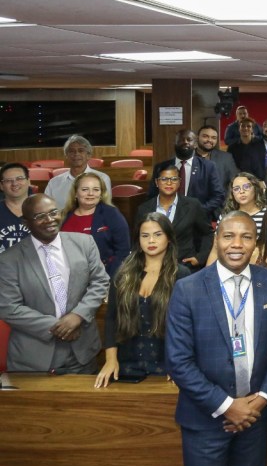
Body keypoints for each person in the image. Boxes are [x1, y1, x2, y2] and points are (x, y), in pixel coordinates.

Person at [165, 211, 267, 466]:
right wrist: (227, 406)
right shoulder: (188, 289)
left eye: (246, 237)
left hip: (255, 420)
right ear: (216, 240)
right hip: (204, 419)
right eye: (229, 236)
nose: (237, 244)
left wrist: (260, 400)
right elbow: (178, 362)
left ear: (256, 244)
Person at [0, 193, 109, 373]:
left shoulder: (84, 242)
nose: (49, 220)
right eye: (40, 216)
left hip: (82, 352)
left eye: (53, 212)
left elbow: (100, 281)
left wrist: (78, 316)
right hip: (33, 358)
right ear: (26, 223)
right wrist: (59, 327)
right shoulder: (9, 259)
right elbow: (9, 307)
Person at [95, 212, 191, 387]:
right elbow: (111, 319)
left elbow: (187, 326)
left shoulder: (181, 275)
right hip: (126, 366)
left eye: (157, 234)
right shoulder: (123, 274)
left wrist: (180, 364)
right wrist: (110, 360)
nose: (151, 241)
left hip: (167, 365)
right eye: (145, 236)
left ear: (169, 238)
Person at [136, 164, 214, 273]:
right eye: (164, 179)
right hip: (154, 268)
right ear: (156, 182)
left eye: (174, 179)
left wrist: (200, 258)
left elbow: (208, 233)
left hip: (185, 267)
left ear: (179, 182)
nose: (169, 183)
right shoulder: (144, 209)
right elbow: (137, 240)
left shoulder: (193, 205)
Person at [60, 171, 130, 279]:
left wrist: (108, 279)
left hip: (102, 277)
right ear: (75, 193)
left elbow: (123, 251)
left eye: (96, 189)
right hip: (68, 277)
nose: (90, 193)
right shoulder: (64, 215)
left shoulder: (112, 214)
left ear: (101, 194)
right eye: (85, 189)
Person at [150, 128, 225, 220]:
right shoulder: (161, 167)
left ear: (196, 144)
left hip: (197, 220)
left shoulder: (208, 167)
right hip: (167, 220)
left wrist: (198, 211)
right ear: (175, 143)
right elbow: (152, 195)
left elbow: (218, 196)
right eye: (181, 140)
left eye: (189, 140)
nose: (185, 142)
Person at [43, 135, 112, 212]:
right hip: (60, 222)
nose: (76, 154)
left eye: (81, 150)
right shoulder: (54, 182)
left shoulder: (102, 178)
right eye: (72, 151)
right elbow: (45, 208)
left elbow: (105, 207)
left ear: (88, 155)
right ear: (66, 155)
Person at [0, 163, 33, 254]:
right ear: (1, 186)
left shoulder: (42, 210)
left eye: (19, 178)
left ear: (29, 181)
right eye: (8, 180)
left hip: (35, 265)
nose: (14, 183)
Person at [197, 125, 240, 193]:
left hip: (219, 202)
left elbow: (235, 181)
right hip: (193, 202)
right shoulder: (187, 157)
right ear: (197, 137)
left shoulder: (226, 157)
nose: (209, 140)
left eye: (213, 138)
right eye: (205, 136)